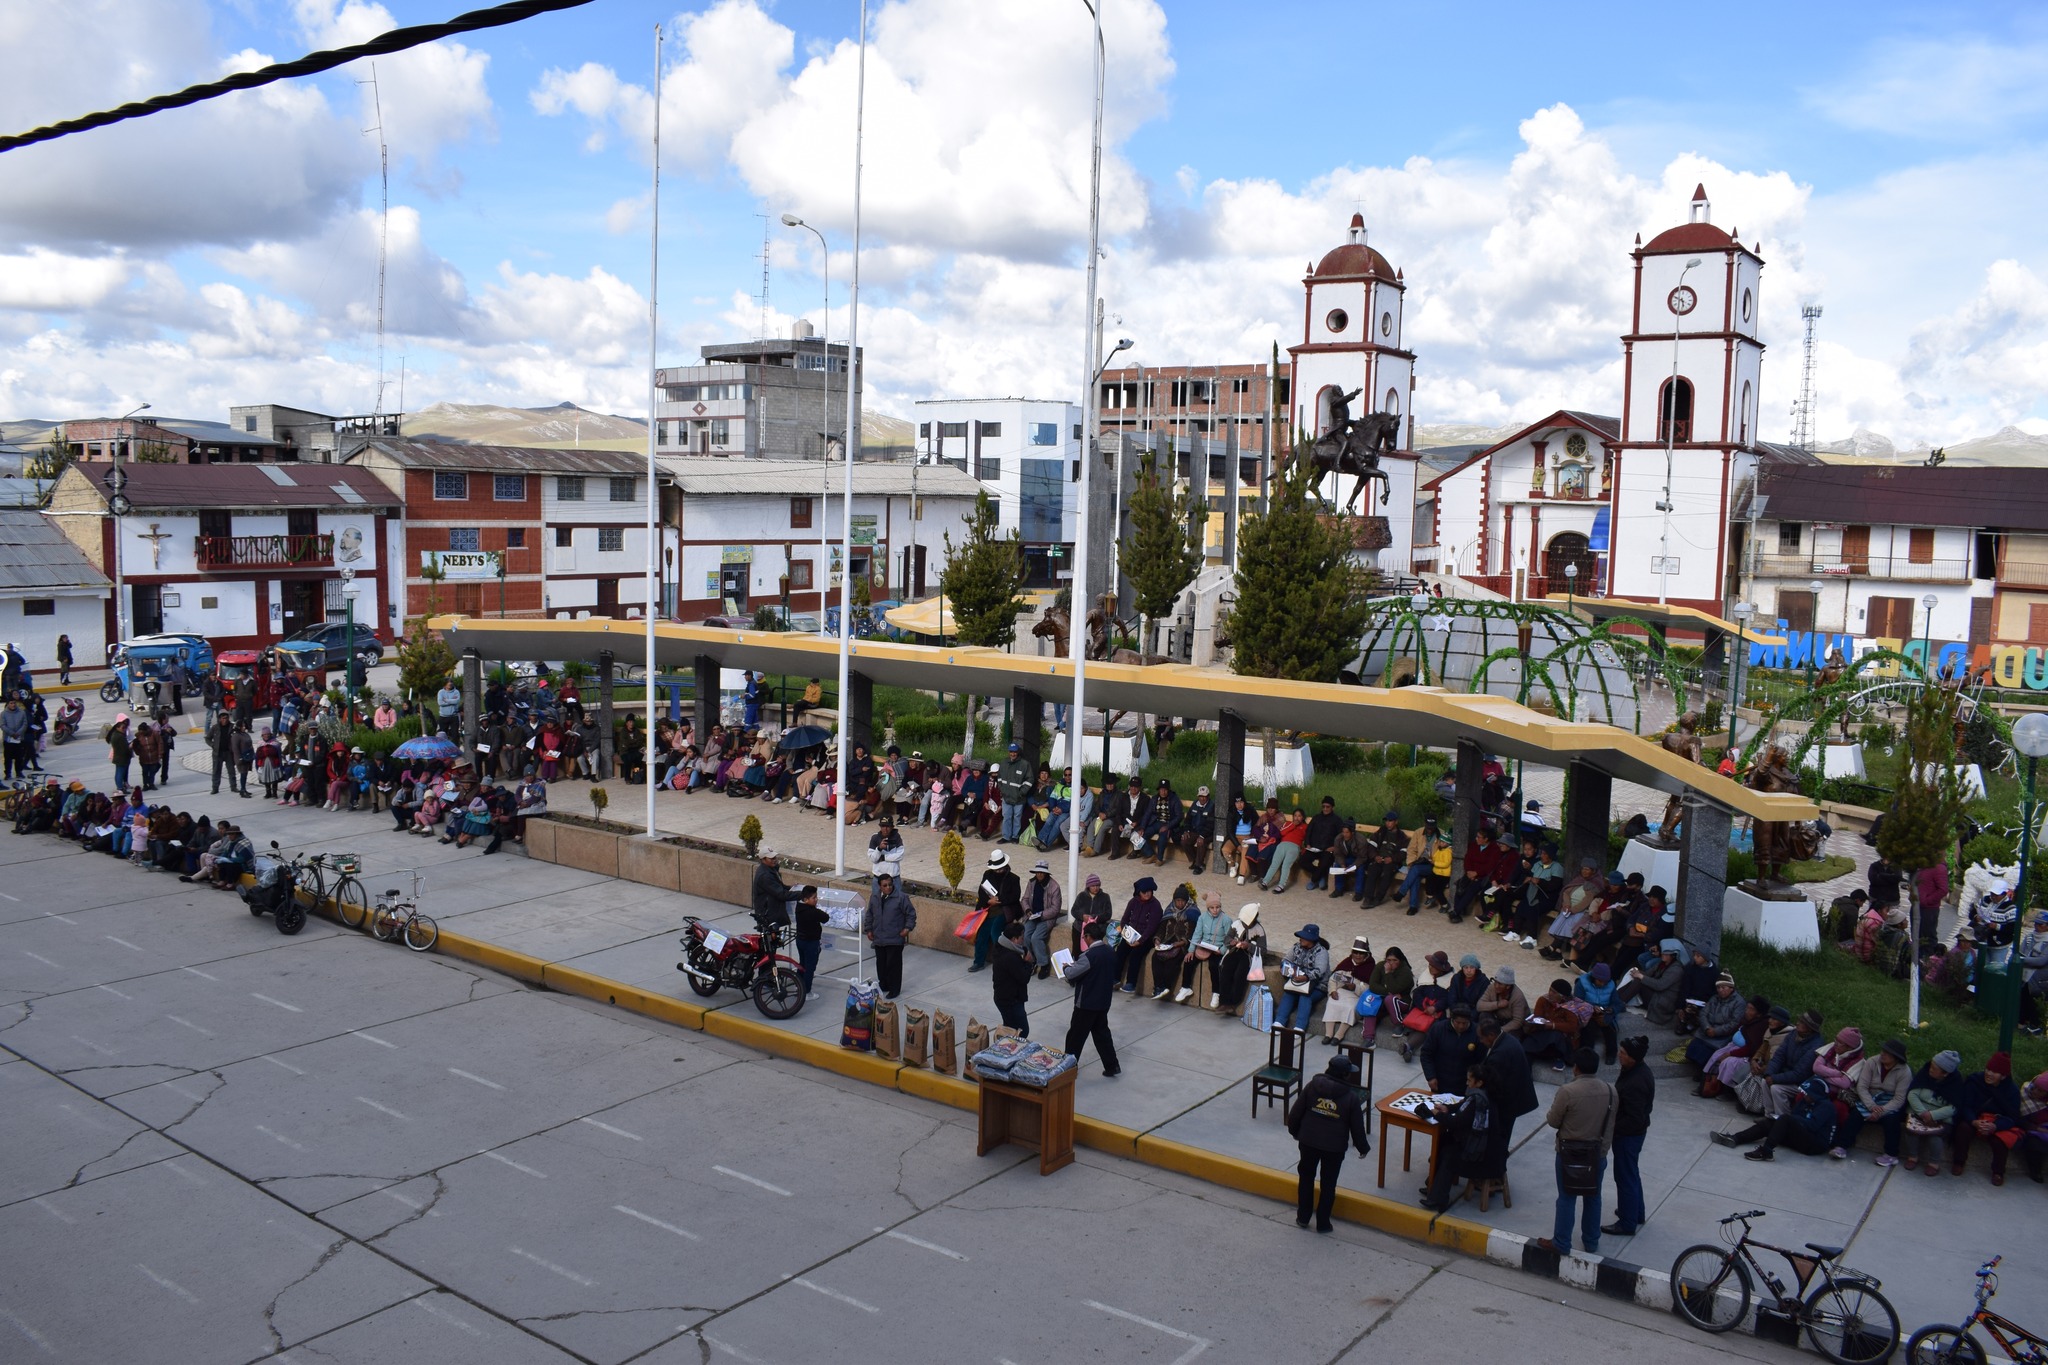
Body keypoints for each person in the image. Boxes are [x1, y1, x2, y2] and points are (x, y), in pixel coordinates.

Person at [1537, 1048, 1617, 1257]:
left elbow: (1553, 1121)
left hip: (1569, 1153)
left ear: (1576, 1069)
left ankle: (1562, 1242)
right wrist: (1603, 1151)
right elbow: (1610, 1126)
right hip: (1596, 1153)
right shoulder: (1610, 1091)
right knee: (1593, 1197)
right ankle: (1591, 1242)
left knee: (1566, 1197)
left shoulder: (1568, 1091)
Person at [1287, 1054, 1371, 1231]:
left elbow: (1295, 1114)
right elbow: (1357, 1127)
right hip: (1334, 1149)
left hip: (1308, 1142)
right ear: (1345, 1075)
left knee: (1306, 1179)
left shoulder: (1311, 1087)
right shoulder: (1350, 1098)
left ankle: (1303, 1217)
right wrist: (1362, 1148)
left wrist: (1296, 1133)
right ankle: (1323, 1224)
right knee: (1328, 1184)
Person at [1419, 1064, 1497, 1212]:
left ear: (1479, 1083)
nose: (1467, 1083)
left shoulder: (1477, 1101)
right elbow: (1462, 1107)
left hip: (1474, 1149)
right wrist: (1447, 1108)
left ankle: (1438, 1199)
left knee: (1449, 1155)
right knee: (1442, 1141)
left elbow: (1457, 1122)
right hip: (1468, 1141)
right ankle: (1433, 1186)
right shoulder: (1476, 1096)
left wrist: (1438, 1114)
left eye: (1469, 1080)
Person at [1714, 1077, 1841, 1162]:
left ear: (1816, 1094)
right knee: (1769, 1124)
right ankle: (1736, 1138)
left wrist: (1791, 1121)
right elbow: (1796, 1115)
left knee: (1785, 1119)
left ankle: (1767, 1151)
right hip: (1802, 1135)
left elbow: (1813, 1126)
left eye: (1808, 1093)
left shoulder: (1826, 1107)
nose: (1805, 1095)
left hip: (1814, 1144)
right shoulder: (1804, 1101)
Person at [1603, 1036, 1655, 1237]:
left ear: (1633, 1058)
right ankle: (1635, 1212)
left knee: (1625, 1176)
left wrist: (1610, 1128)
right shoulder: (1634, 1070)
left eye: (1623, 1053)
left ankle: (1627, 1222)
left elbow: (1633, 1118)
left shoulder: (1636, 1082)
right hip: (1631, 1134)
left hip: (1628, 1136)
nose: (1619, 1055)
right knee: (1631, 1173)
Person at [1060, 918, 1121, 1078]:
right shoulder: (1109, 952)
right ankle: (1112, 1065)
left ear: (1088, 937)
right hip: (1103, 1003)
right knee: (1102, 1035)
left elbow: (1072, 974)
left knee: (1075, 1037)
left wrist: (1066, 968)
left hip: (1086, 1004)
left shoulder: (1089, 956)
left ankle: (1068, 1069)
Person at [1951, 1050, 2022, 1184]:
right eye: (1988, 1069)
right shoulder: (1975, 1081)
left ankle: (1998, 1172)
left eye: (1994, 1072)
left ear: (2003, 1076)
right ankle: (1958, 1162)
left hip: (1996, 1122)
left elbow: (2012, 1117)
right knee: (1963, 1129)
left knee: (2000, 1141)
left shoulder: (2011, 1091)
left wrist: (1995, 1126)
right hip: (1976, 1119)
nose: (1989, 1074)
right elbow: (1966, 1105)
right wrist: (1974, 1121)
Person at [1839, 1038, 1912, 1165]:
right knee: (1856, 1114)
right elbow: (1862, 1086)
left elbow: (1899, 1098)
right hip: (1870, 1098)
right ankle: (1842, 1146)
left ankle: (1891, 1154)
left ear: (1896, 1057)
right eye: (1883, 1051)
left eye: (1887, 1053)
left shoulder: (1905, 1071)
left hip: (1890, 1101)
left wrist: (1881, 1111)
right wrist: (1871, 1106)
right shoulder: (1872, 1061)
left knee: (1892, 1120)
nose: (1883, 1054)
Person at [1478, 1017, 1538, 1148]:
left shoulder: (1499, 1055)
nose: (1481, 1041)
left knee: (1499, 1138)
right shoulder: (1508, 1039)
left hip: (1506, 1102)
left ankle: (1498, 1166)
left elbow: (1492, 1084)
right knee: (1503, 1135)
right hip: (1514, 1096)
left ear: (1492, 1035)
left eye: (1482, 1038)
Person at [1902, 1049, 1963, 1173]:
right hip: (1919, 1113)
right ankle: (1912, 1156)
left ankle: (1934, 1163)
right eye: (1931, 1066)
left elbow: (1953, 1107)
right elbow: (1913, 1093)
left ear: (1944, 1074)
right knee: (1911, 1132)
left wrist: (1932, 1115)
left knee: (1935, 1137)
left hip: (1940, 1118)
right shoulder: (1924, 1074)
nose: (1930, 1069)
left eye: (1934, 1069)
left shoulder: (1955, 1083)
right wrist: (1922, 1113)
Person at [863, 871, 916, 1000]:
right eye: (885, 885)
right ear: (879, 886)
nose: (888, 887)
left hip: (894, 938)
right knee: (881, 964)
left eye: (890, 885)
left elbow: (911, 914)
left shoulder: (901, 898)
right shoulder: (875, 897)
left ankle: (894, 989)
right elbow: (870, 914)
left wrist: (907, 929)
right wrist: (869, 929)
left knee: (894, 966)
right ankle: (884, 985)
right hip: (879, 938)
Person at [969, 848, 1022, 973]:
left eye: (1000, 868)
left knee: (995, 932)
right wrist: (988, 902)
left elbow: (1015, 896)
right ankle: (978, 962)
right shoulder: (987, 875)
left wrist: (998, 900)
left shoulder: (1014, 878)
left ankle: (1002, 961)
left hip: (1005, 910)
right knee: (982, 933)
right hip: (989, 910)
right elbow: (982, 892)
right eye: (996, 868)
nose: (998, 871)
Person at [1273, 923, 1330, 1032]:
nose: (1301, 939)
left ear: (1311, 939)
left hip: (1316, 985)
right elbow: (1286, 959)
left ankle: (1300, 1027)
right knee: (1288, 993)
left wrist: (1305, 977)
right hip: (1297, 982)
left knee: (1305, 997)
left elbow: (1320, 971)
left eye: (1304, 937)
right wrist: (1286, 968)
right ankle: (1279, 1022)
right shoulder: (1296, 947)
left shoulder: (1321, 952)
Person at [1684, 972, 1745, 1071]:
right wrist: (1707, 1027)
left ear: (1731, 988)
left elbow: (1734, 1023)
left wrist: (1716, 1031)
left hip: (1722, 1035)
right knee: (1693, 1049)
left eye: (1723, 987)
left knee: (1706, 1053)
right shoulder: (1714, 998)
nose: (1720, 990)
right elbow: (1703, 1013)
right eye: (1718, 988)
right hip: (1707, 1030)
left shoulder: (1739, 1003)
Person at [1113, 876, 1164, 992]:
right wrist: (1126, 936)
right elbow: (1125, 919)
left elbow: (1151, 927)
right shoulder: (1133, 902)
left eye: (1149, 891)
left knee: (1136, 955)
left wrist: (1139, 941)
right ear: (1139, 892)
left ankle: (1131, 983)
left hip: (1146, 938)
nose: (1147, 894)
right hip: (1130, 935)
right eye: (1144, 892)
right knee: (1120, 951)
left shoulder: (1155, 905)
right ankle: (1115, 978)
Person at [992, 916, 1034, 1036]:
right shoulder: (1010, 957)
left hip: (1005, 997)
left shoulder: (1002, 947)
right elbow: (1024, 978)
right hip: (1010, 1000)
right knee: (1021, 1031)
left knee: (1010, 1029)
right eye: (1021, 937)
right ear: (1014, 939)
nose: (1023, 940)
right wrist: (1027, 963)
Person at [1023, 859, 1062, 980]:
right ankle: (1032, 960)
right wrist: (1028, 910)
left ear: (1046, 873)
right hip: (1032, 917)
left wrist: (1041, 915)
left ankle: (1044, 964)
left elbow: (1055, 909)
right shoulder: (1031, 883)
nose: (1039, 875)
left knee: (1036, 937)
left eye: (1042, 872)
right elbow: (1024, 899)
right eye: (1037, 872)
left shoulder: (1054, 887)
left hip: (1046, 918)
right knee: (1025, 935)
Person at [751, 846, 803, 933]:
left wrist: (790, 888)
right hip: (767, 915)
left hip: (772, 910)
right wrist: (803, 894)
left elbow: (778, 886)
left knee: (774, 939)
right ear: (763, 859)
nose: (774, 860)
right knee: (769, 941)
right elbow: (781, 894)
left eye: (775, 857)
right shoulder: (765, 876)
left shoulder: (771, 870)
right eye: (771, 858)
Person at [789, 885, 828, 1000]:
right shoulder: (813, 912)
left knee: (802, 964)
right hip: (811, 942)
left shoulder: (799, 907)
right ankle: (806, 991)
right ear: (806, 900)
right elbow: (825, 917)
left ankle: (799, 986)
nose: (816, 900)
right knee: (810, 967)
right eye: (814, 898)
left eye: (816, 897)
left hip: (800, 940)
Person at [994, 741, 1033, 844]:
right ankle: (1006, 837)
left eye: (1014, 752)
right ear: (1008, 752)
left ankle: (1015, 837)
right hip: (1006, 797)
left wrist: (1021, 792)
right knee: (1006, 817)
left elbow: (1029, 780)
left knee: (1017, 818)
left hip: (1019, 798)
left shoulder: (1025, 764)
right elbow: (999, 779)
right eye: (1011, 752)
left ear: (1018, 752)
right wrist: (1003, 790)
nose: (1013, 754)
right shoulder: (1004, 763)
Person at [1476, 964, 1529, 1036]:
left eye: (1500, 984)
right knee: (1484, 1015)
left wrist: (1500, 1031)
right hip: (1498, 1020)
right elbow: (1479, 1006)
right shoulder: (1492, 988)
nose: (1496, 986)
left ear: (1508, 986)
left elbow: (1517, 1021)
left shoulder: (1518, 996)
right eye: (1496, 982)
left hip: (1512, 1026)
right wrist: (1497, 1004)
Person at [104, 713, 133, 792]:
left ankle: (121, 786)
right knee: (120, 773)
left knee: (120, 772)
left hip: (120, 757)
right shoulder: (119, 736)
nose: (124, 729)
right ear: (118, 727)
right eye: (123, 727)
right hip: (121, 758)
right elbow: (125, 748)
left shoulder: (117, 734)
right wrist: (131, 746)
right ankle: (120, 788)